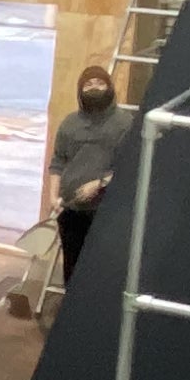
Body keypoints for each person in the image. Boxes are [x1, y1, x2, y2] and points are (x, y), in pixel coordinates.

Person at [48, 64, 133, 278]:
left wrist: (99, 184)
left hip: (108, 212)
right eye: (88, 84)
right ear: (80, 91)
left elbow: (131, 165)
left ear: (109, 87)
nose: (94, 88)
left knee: (102, 272)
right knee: (72, 270)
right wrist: (53, 197)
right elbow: (58, 162)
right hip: (71, 211)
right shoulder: (69, 123)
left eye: (100, 83)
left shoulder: (125, 123)